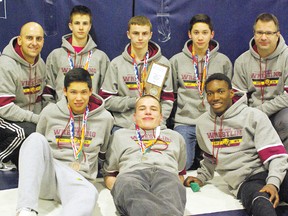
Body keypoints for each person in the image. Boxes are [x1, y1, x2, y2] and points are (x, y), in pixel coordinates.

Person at [184, 73, 288, 216]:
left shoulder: (254, 116)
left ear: (231, 93)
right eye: (210, 93)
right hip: (245, 182)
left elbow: (275, 155)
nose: (215, 98)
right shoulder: (202, 124)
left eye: (220, 91)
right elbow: (210, 158)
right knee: (262, 204)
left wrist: (273, 183)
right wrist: (201, 177)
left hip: (270, 171)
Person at [16, 68, 114, 216]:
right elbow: (38, 150)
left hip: (79, 180)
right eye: (73, 92)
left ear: (90, 91)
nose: (79, 98)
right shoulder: (49, 113)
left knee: (89, 194)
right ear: (65, 92)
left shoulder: (105, 119)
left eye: (83, 92)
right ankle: (26, 210)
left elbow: (103, 153)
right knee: (35, 139)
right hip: (50, 174)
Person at [103, 94, 186, 216]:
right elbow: (109, 173)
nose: (148, 112)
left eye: (153, 109)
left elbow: (180, 174)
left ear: (161, 117)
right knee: (130, 187)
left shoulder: (175, 136)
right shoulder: (120, 135)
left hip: (166, 173)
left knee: (171, 188)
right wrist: (120, 189)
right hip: (131, 174)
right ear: (134, 116)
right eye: (142, 109)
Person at [170, 14, 232, 170]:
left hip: (214, 122)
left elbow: (230, 97)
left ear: (212, 34)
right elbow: (171, 95)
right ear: (189, 34)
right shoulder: (176, 61)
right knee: (182, 165)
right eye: (196, 32)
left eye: (205, 33)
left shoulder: (223, 61)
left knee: (223, 166)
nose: (200, 37)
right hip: (185, 122)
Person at [99, 15, 174, 132]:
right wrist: (133, 102)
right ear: (129, 34)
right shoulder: (117, 64)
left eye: (144, 34)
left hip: (156, 126)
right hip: (124, 126)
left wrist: (159, 121)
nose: (140, 38)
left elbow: (167, 100)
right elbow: (106, 99)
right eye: (136, 33)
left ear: (150, 35)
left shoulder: (162, 63)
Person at [233, 13, 288, 150]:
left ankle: (283, 165)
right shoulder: (242, 61)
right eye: (260, 32)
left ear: (277, 34)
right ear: (254, 33)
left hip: (280, 113)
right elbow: (237, 98)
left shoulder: (286, 57)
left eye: (269, 33)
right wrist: (249, 115)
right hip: (251, 113)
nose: (263, 37)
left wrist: (261, 110)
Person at [0, 22, 46, 170]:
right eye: (29, 38)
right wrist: (35, 119)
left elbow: (40, 98)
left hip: (26, 118)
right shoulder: (6, 65)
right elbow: (5, 108)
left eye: (38, 39)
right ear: (20, 40)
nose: (34, 43)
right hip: (4, 117)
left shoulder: (41, 64)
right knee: (24, 132)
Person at [45, 5, 110, 102]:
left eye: (85, 23)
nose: (81, 27)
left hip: (91, 114)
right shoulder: (56, 56)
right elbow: (48, 92)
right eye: (77, 23)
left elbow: (105, 93)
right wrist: (54, 112)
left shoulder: (101, 57)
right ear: (70, 26)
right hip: (61, 113)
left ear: (89, 26)